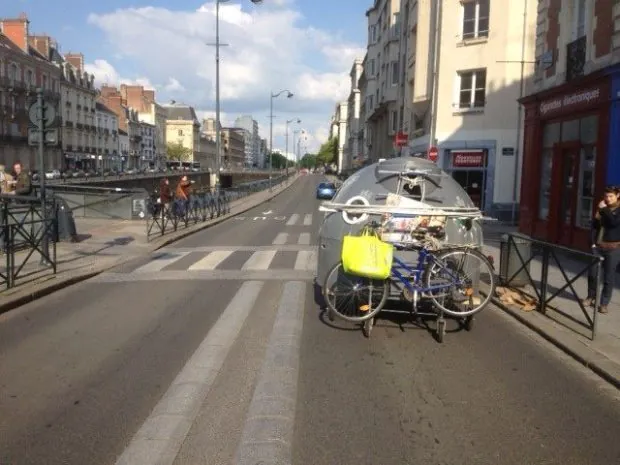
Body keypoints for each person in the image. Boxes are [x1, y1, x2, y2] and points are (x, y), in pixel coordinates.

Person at [583, 185, 620, 313]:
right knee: (592, 274)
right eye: (606, 196)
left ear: (617, 196)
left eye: (611, 196)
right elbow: (594, 226)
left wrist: (604, 209)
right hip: (598, 247)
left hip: (613, 248)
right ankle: (590, 297)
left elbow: (614, 223)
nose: (608, 199)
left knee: (608, 277)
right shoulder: (601, 210)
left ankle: (604, 304)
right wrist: (592, 243)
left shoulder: (612, 209)